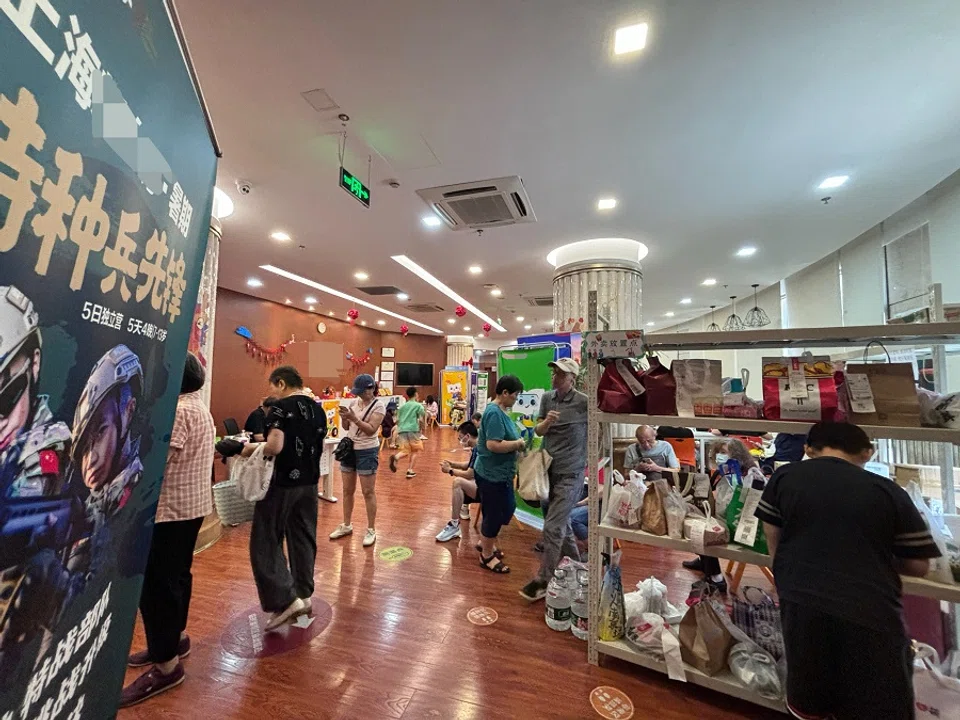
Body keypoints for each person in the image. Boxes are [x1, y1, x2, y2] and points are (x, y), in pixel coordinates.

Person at [754, 422, 940, 720]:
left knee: (810, 700)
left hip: (801, 603)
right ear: (868, 452)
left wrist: (785, 577)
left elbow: (774, 542)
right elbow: (919, 565)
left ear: (807, 449)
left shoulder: (785, 476)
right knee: (876, 704)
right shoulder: (887, 491)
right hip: (871, 612)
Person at [120, 354, 214, 707]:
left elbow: (158, 464)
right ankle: (174, 640)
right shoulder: (198, 407)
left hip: (168, 513)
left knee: (157, 587)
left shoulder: (179, 411)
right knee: (176, 578)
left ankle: (166, 665)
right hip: (190, 509)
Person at [244, 365, 327, 631]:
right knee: (303, 536)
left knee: (265, 539)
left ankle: (285, 599)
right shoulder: (319, 409)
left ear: (280, 383)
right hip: (310, 482)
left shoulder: (279, 409)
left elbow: (274, 446)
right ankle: (303, 594)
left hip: (281, 483)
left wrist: (245, 449)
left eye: (272, 386)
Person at [520, 358, 588, 602]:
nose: (555, 377)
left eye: (561, 374)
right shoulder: (547, 398)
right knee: (560, 523)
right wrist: (546, 422)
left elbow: (598, 432)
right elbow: (538, 431)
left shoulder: (584, 403)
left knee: (552, 526)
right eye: (554, 373)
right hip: (548, 469)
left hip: (572, 473)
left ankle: (543, 578)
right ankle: (581, 568)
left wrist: (590, 462)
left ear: (572, 378)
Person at [683, 438, 757, 592]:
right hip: (726, 518)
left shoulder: (748, 474)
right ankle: (704, 561)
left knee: (704, 531)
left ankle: (716, 577)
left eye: (723, 452)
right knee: (696, 520)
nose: (719, 456)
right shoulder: (727, 472)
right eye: (718, 453)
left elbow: (739, 504)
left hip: (739, 526)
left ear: (736, 454)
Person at [474, 375, 525, 574]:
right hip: (491, 473)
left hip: (498, 473)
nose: (516, 399)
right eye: (514, 395)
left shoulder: (501, 411)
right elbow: (493, 445)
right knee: (496, 514)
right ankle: (486, 556)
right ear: (504, 393)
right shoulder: (494, 412)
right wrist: (518, 444)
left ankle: (486, 542)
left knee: (503, 509)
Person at [329, 374, 384, 547]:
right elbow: (346, 428)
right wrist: (345, 418)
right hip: (350, 449)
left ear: (371, 389)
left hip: (367, 450)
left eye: (362, 392)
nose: (359, 395)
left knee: (368, 491)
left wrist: (354, 418)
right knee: (347, 490)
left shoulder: (379, 406)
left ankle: (371, 529)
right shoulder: (354, 403)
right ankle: (346, 524)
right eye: (357, 392)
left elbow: (371, 430)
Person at [435, 421, 481, 542]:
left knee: (458, 482)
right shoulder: (477, 447)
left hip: (486, 486)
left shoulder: (479, 448)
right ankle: (456, 520)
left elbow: (470, 473)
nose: (460, 441)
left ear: (467, 436)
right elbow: (470, 465)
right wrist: (453, 463)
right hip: (481, 482)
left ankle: (454, 525)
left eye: (460, 438)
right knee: (459, 483)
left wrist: (450, 470)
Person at [389, 386, 425, 478]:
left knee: (406, 450)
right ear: (415, 394)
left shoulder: (402, 407)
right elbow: (421, 420)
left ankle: (396, 457)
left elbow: (397, 420)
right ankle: (410, 470)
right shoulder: (418, 406)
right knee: (415, 450)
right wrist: (422, 430)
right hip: (413, 430)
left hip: (402, 430)